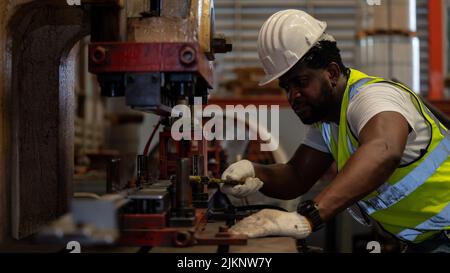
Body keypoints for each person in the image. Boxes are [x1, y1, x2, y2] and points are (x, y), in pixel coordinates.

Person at [221, 9, 450, 253]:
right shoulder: (328, 120)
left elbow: (383, 149)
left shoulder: (373, 98)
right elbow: (296, 175)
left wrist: (309, 217)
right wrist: (254, 172)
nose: (293, 96)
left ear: (331, 73)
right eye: (286, 87)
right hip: (426, 241)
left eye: (301, 82)